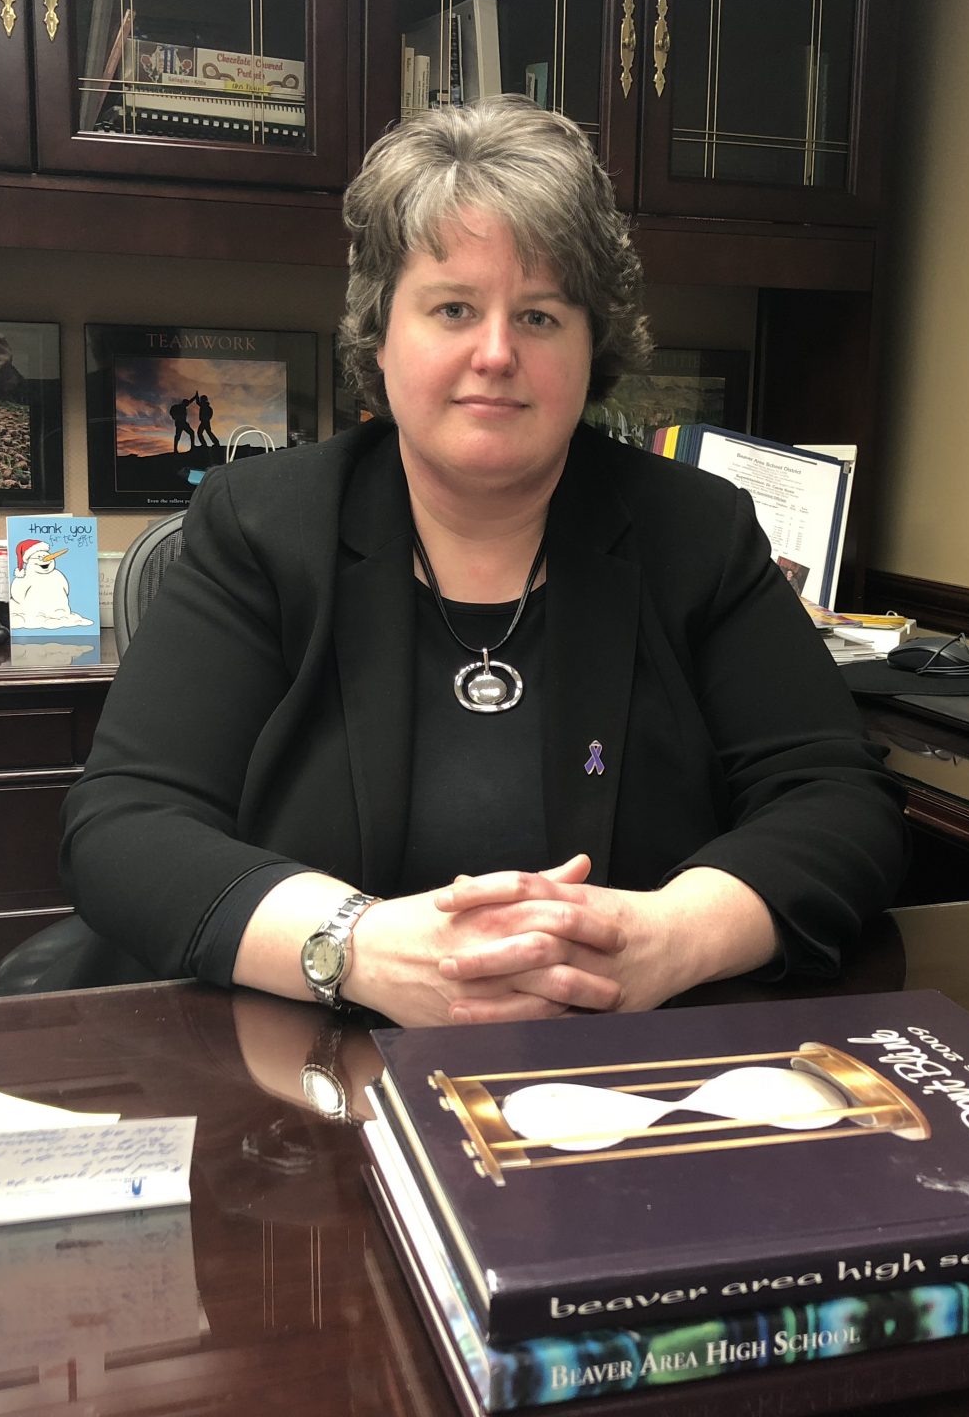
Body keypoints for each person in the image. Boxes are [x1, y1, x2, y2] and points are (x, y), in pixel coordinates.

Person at [61, 96, 908, 1028]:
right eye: (453, 307)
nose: (496, 353)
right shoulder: (262, 526)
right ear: (381, 336)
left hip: (627, 1069)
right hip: (316, 1071)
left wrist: (671, 937)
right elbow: (126, 828)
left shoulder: (695, 531)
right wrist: (355, 946)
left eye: (541, 317)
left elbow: (839, 801)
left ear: (595, 348)